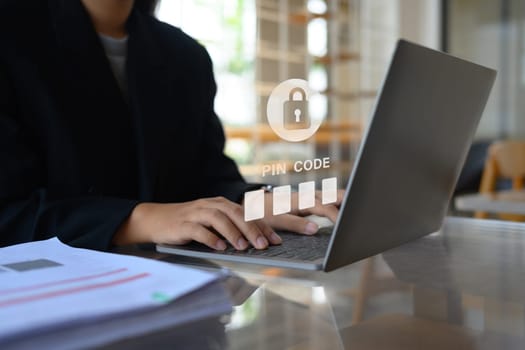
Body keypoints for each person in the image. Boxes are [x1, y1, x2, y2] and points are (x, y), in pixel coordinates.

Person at [0, 0, 342, 251]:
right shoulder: (12, 36)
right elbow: (10, 212)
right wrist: (141, 219)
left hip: (176, 292)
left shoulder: (184, 55)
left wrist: (258, 202)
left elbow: (207, 178)